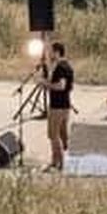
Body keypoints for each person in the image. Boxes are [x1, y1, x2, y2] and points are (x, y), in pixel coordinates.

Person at [41, 42, 75, 173]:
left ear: (57, 52)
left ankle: (59, 163)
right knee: (62, 135)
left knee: (53, 135)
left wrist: (46, 84)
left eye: (51, 52)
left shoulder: (61, 67)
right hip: (65, 106)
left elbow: (61, 86)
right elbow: (69, 86)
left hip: (57, 106)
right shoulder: (67, 66)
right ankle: (62, 161)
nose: (49, 54)